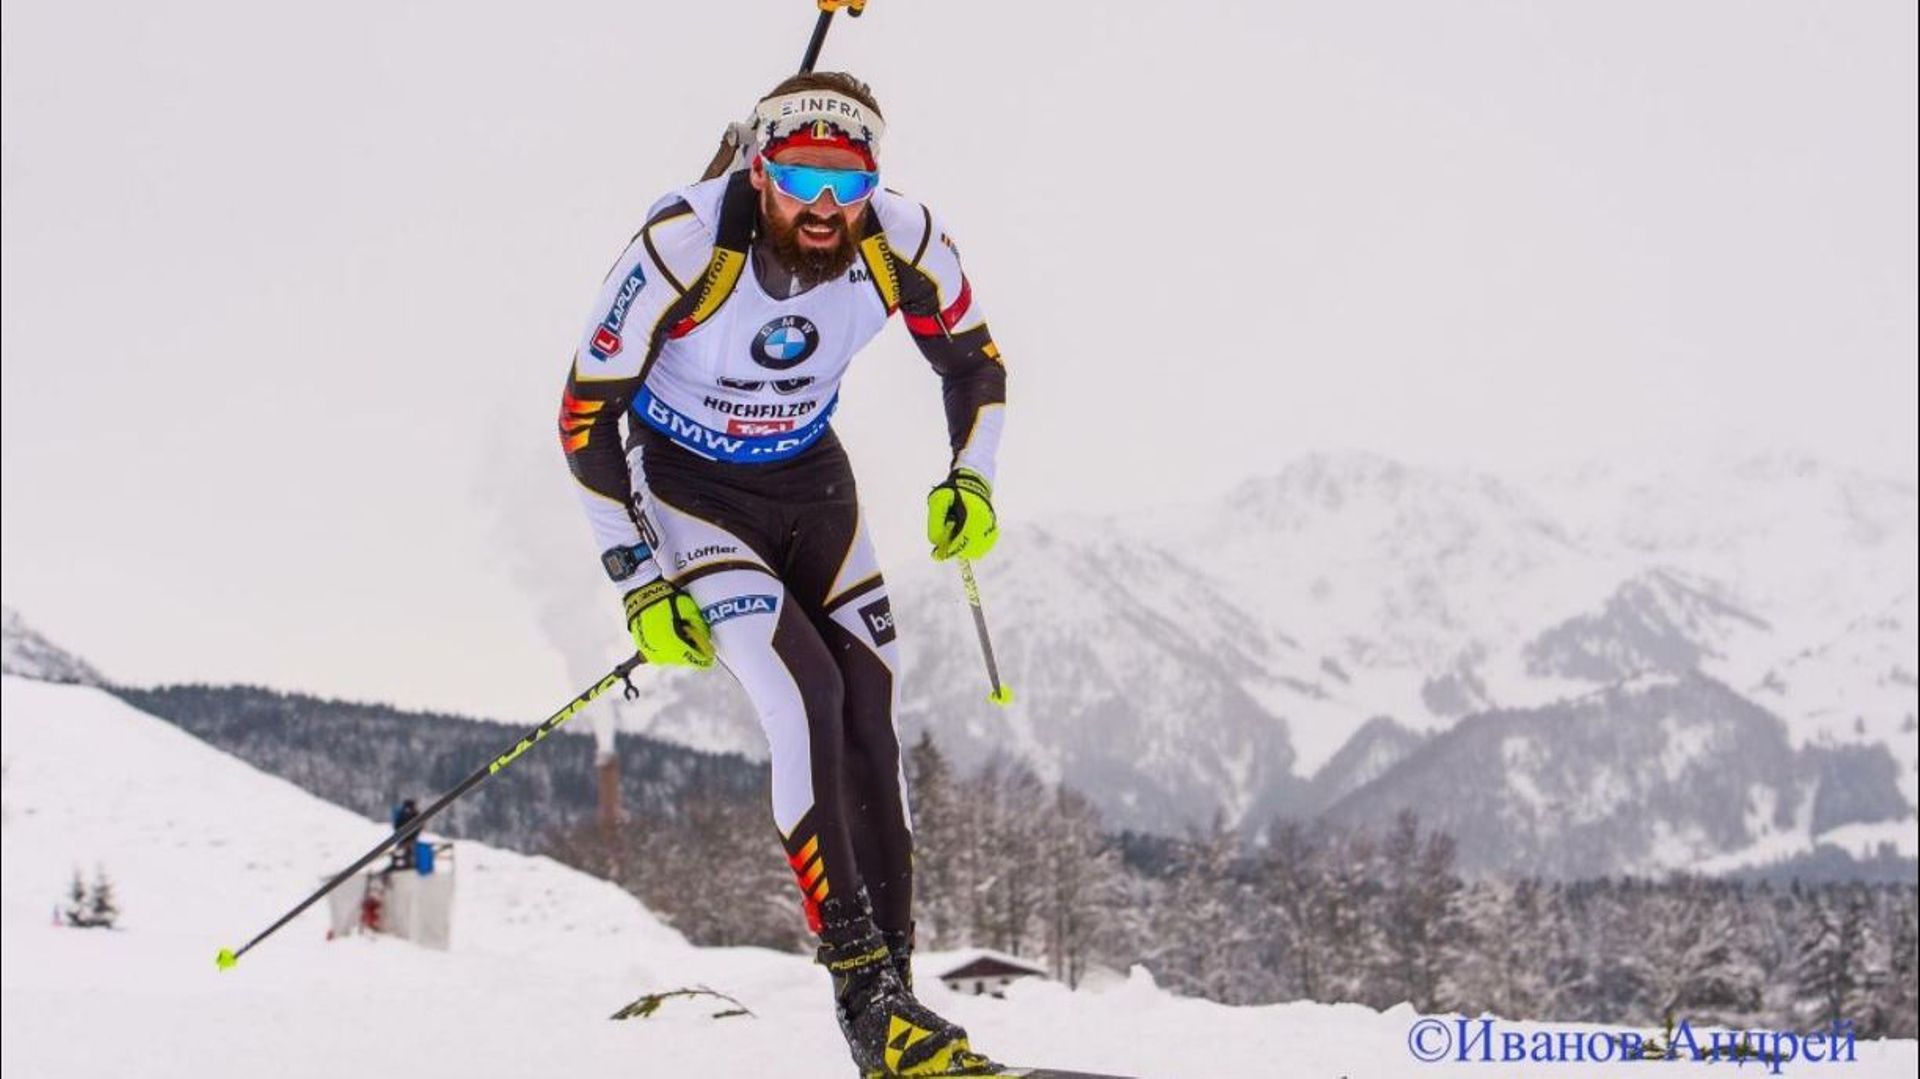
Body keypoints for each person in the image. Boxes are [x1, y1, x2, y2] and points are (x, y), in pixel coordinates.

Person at [558, 72, 1006, 1076]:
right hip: (686, 484)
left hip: (811, 481)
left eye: (846, 180)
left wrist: (971, 478)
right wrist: (637, 575)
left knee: (869, 704)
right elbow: (584, 419)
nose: (822, 205)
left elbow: (975, 364)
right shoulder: (682, 244)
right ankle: (861, 994)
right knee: (805, 693)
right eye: (800, 173)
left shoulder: (901, 239)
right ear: (758, 166)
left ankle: (901, 995)